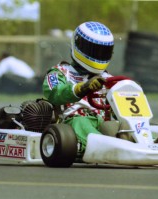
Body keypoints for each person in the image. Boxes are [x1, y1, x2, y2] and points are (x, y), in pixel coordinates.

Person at [42, 21, 114, 156]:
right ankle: (108, 148)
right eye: (94, 51)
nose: (98, 56)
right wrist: (81, 88)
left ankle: (156, 140)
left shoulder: (108, 78)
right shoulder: (60, 72)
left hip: (103, 123)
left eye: (102, 52)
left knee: (117, 126)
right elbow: (55, 93)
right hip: (70, 125)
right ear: (79, 45)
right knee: (81, 121)